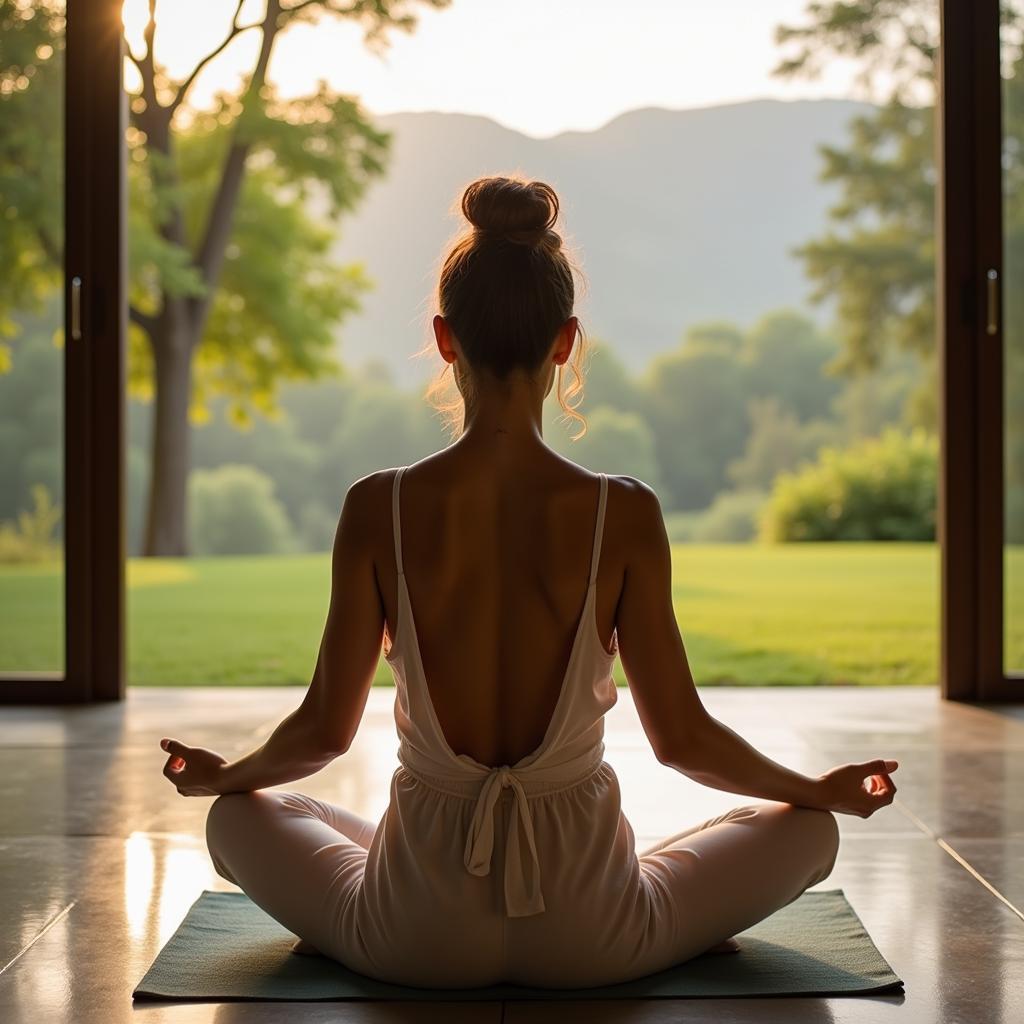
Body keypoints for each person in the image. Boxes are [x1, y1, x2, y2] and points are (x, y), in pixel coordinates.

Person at [158, 175, 899, 989]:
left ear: (445, 339)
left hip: (413, 936)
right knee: (808, 834)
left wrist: (222, 776)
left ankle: (362, 916)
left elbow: (323, 735)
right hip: (593, 934)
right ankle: (667, 918)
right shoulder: (625, 512)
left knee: (246, 817)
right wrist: (814, 789)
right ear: (566, 340)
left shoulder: (379, 507)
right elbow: (682, 739)